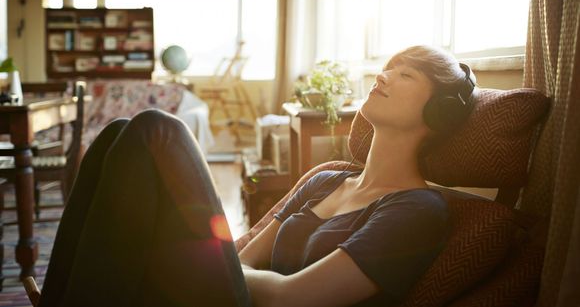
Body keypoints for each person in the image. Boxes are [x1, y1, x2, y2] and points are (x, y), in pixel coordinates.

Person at [39, 45, 477, 307]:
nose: (383, 75)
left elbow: (293, 299)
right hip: (231, 296)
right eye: (389, 65)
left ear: (438, 112)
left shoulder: (417, 209)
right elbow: (242, 259)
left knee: (158, 129)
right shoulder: (325, 181)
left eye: (406, 74)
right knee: (117, 133)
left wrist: (174, 260)